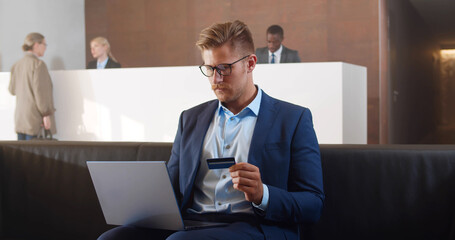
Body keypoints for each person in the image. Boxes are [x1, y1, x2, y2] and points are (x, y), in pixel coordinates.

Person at [98, 20, 324, 240]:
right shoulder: (190, 119)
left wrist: (263, 194)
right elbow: (173, 187)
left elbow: (313, 204)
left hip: (254, 226)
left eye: (224, 68)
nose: (215, 79)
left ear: (251, 64)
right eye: (209, 69)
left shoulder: (293, 119)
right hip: (191, 223)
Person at [9, 32, 57, 140]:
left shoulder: (16, 65)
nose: (45, 48)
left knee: (22, 155)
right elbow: (41, 94)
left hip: (20, 119)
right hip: (35, 119)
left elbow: (12, 90)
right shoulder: (38, 65)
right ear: (36, 45)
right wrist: (46, 115)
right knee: (36, 155)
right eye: (44, 44)